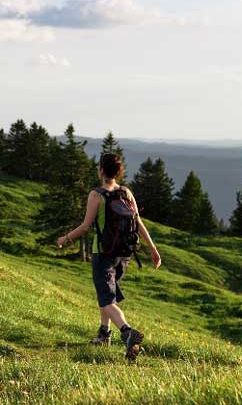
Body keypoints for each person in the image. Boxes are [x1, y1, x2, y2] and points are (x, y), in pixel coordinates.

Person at [56, 153, 162, 360]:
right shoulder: (126, 192)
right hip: (124, 253)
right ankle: (104, 334)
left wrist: (64, 239)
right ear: (118, 171)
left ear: (101, 171)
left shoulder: (97, 195)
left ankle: (127, 332)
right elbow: (139, 223)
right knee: (108, 296)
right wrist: (153, 249)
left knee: (106, 300)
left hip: (103, 252)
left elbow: (86, 226)